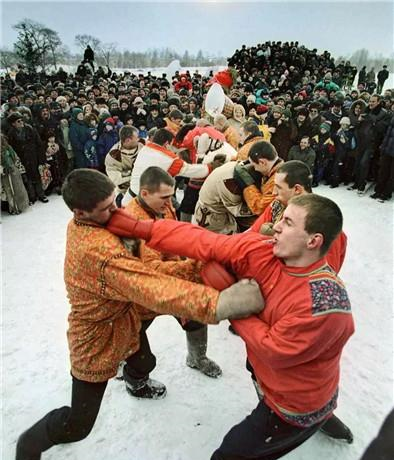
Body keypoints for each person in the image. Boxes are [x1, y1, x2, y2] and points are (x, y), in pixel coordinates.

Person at [16, 169, 263, 460]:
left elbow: (147, 270)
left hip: (124, 317)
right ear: (81, 213)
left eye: (115, 202)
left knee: (145, 360)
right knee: (79, 425)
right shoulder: (99, 252)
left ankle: (136, 381)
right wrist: (220, 303)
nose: (117, 211)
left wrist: (196, 266)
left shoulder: (100, 222)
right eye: (107, 209)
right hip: (95, 337)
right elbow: (150, 286)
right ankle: (28, 446)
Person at [108, 193, 355, 460]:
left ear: (313, 241)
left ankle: (318, 418)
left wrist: (232, 301)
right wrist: (142, 229)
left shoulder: (325, 303)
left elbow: (275, 351)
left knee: (230, 454)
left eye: (288, 222)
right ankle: (322, 416)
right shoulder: (264, 249)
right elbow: (204, 241)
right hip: (271, 375)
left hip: (293, 406)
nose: (277, 226)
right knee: (256, 371)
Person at [125, 166, 222, 378]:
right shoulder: (136, 222)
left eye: (171, 196)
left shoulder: (161, 205)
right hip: (142, 291)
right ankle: (134, 379)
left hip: (172, 274)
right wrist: (193, 268)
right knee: (134, 339)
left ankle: (197, 358)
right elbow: (152, 269)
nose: (170, 203)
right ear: (144, 194)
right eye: (165, 197)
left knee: (195, 314)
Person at [123, 128, 217, 205]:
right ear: (167, 144)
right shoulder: (168, 159)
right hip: (144, 205)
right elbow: (190, 170)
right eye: (172, 144)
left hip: (129, 199)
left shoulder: (145, 148)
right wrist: (211, 166)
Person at [234, 140, 284, 216]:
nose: (255, 169)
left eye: (254, 166)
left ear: (262, 162)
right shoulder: (277, 170)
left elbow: (259, 209)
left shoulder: (277, 181)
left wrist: (248, 185)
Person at [105, 125, 143, 206]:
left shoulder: (142, 145)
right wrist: (135, 173)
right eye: (136, 137)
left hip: (144, 187)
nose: (139, 139)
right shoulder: (114, 155)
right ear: (128, 140)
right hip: (126, 191)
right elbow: (116, 178)